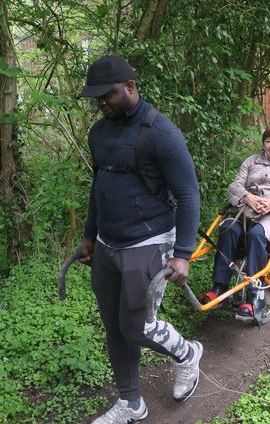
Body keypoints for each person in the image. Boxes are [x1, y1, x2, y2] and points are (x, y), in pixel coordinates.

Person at [76, 55, 203, 424]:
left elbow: (189, 195)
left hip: (149, 242)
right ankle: (131, 403)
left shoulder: (161, 133)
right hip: (107, 244)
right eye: (96, 98)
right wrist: (89, 234)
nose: (101, 103)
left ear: (130, 87)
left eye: (108, 95)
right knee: (115, 327)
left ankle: (186, 353)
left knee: (137, 325)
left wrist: (183, 254)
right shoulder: (99, 132)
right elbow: (99, 185)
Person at [200, 125, 270, 319]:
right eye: (268, 140)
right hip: (246, 211)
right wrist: (247, 197)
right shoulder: (251, 161)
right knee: (227, 229)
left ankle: (255, 294)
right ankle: (219, 287)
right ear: (263, 143)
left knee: (256, 234)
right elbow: (234, 186)